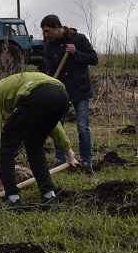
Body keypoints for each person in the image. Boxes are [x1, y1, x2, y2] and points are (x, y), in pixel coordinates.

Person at [0, 72, 78, 208]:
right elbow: (53, 124)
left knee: (4, 144)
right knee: (34, 145)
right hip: (62, 95)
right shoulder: (11, 88)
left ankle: (12, 198)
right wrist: (68, 149)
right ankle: (49, 196)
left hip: (38, 94)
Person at [40, 14, 98, 171]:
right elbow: (52, 70)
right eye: (44, 32)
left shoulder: (79, 39)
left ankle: (87, 161)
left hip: (81, 89)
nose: (46, 35)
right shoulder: (49, 46)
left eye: (47, 31)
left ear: (57, 27)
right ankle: (61, 160)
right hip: (61, 92)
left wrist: (76, 53)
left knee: (83, 127)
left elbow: (94, 59)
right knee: (57, 125)